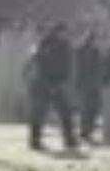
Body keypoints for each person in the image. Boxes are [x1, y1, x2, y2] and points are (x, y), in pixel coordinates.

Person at [26, 25, 81, 154]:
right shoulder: (46, 44)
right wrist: (51, 82)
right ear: (57, 32)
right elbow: (41, 63)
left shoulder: (63, 46)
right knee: (40, 113)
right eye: (63, 33)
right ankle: (35, 140)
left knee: (65, 113)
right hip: (45, 83)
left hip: (56, 83)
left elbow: (66, 66)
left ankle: (69, 139)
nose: (65, 35)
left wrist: (63, 81)